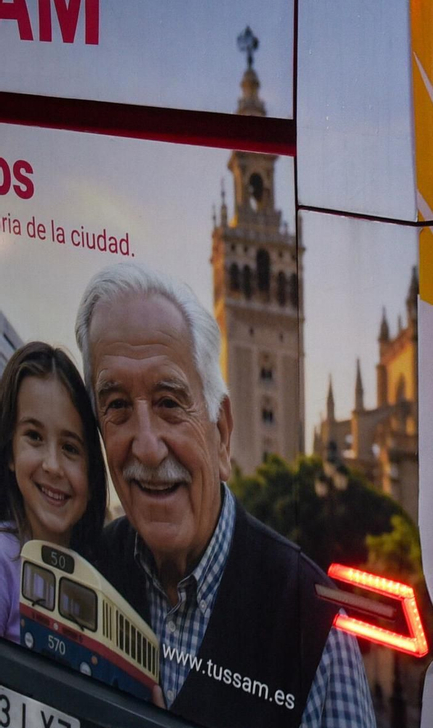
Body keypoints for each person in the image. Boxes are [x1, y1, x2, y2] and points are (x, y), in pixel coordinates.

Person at [75, 262, 376, 728]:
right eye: (116, 406)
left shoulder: (313, 629)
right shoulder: (83, 573)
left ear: (222, 433)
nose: (148, 447)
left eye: (170, 402)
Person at [0, 342, 109, 643]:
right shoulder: (3, 562)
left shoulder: (101, 580)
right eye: (34, 437)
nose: (53, 466)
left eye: (70, 448)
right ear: (10, 452)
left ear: (92, 471)